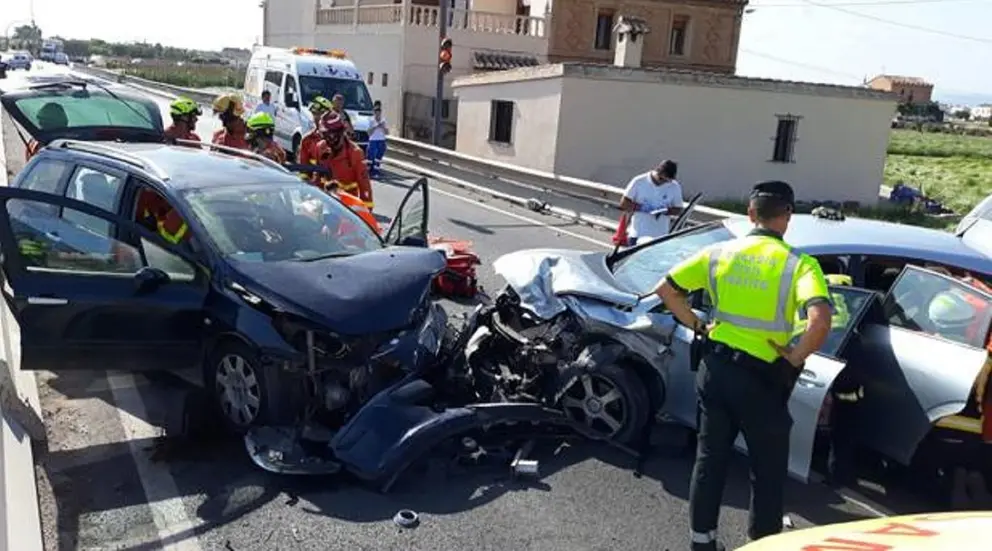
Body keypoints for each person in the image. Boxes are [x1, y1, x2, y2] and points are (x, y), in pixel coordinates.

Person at [649, 180, 833, 550]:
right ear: (787, 217)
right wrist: (795, 358)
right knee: (767, 468)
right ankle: (761, 542)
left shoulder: (717, 253)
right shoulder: (799, 264)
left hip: (715, 371)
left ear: (750, 213)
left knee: (709, 458)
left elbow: (666, 290)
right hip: (763, 380)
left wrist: (699, 325)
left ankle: (702, 542)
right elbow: (820, 323)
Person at [315, 111, 373, 210]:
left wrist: (365, 215)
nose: (326, 139)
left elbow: (365, 188)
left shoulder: (355, 153)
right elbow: (317, 179)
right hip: (325, 204)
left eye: (329, 135)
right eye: (323, 135)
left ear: (339, 133)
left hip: (347, 209)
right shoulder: (321, 147)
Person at [618, 160, 683, 245]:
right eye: (661, 179)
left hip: (660, 236)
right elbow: (624, 203)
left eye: (667, 181)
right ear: (657, 172)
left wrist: (666, 211)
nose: (663, 182)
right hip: (638, 234)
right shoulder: (639, 181)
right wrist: (642, 208)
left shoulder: (674, 186)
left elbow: (678, 209)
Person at [298, 96, 334, 171]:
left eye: (320, 114)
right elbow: (303, 169)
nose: (316, 118)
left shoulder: (338, 139)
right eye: (314, 114)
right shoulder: (307, 140)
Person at [366, 102, 388, 178]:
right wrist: (375, 126)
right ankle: (368, 172)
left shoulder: (383, 120)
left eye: (379, 112)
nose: (377, 114)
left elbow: (387, 132)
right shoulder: (371, 120)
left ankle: (376, 172)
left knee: (378, 158)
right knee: (370, 157)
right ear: (374, 112)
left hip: (381, 140)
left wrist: (383, 127)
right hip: (373, 140)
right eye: (376, 112)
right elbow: (369, 133)